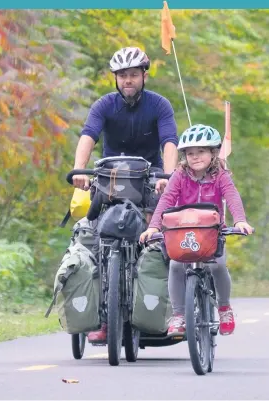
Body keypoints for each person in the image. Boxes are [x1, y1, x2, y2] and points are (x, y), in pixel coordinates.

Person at [70, 46, 180, 343]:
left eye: (133, 74)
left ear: (144, 76)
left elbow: (170, 141)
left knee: (156, 238)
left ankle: (157, 308)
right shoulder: (104, 105)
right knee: (93, 237)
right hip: (109, 178)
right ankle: (103, 316)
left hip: (150, 178)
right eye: (122, 76)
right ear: (115, 79)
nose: (127, 80)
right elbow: (88, 135)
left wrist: (168, 177)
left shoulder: (159, 105)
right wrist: (79, 170)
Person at [139, 124, 255, 337]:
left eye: (201, 151)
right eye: (190, 153)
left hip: (211, 233)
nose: (195, 157)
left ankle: (224, 308)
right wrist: (154, 226)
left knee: (218, 266)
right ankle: (179, 315)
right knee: (175, 266)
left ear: (213, 152)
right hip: (183, 231)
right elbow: (166, 199)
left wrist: (240, 221)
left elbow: (232, 195)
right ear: (184, 156)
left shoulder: (221, 175)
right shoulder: (179, 175)